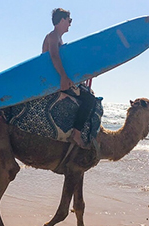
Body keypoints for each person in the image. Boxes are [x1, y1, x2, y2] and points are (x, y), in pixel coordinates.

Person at [42, 8, 96, 149]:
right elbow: (54, 56)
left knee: (89, 93)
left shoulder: (59, 38)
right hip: (54, 81)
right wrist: (63, 78)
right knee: (89, 100)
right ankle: (76, 134)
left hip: (59, 78)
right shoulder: (53, 36)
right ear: (62, 20)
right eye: (69, 20)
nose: (70, 24)